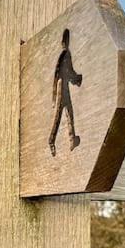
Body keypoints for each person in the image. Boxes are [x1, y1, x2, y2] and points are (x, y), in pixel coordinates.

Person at [49, 28, 83, 156]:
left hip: (64, 88)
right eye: (66, 40)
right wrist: (77, 78)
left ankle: (72, 139)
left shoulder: (65, 54)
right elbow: (66, 72)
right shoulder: (65, 54)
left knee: (69, 113)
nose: (67, 42)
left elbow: (68, 72)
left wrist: (75, 78)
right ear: (64, 41)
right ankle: (51, 141)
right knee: (58, 118)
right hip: (61, 89)